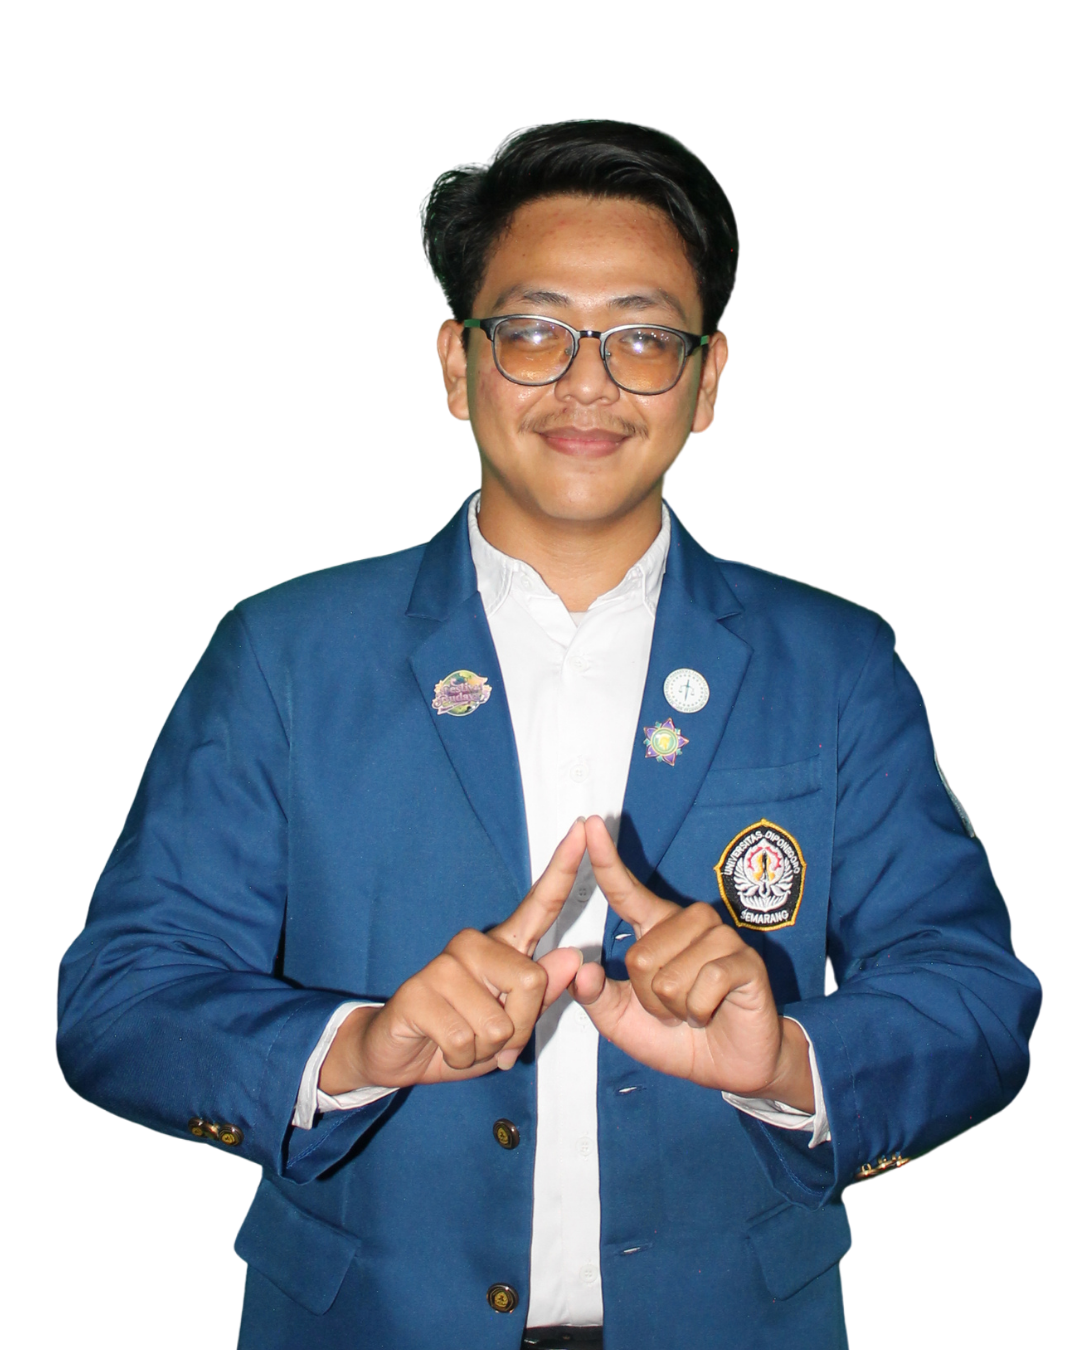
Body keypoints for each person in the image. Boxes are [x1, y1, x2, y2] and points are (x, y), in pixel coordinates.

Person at [56, 121, 1041, 1350]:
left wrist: (790, 1061)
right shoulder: (285, 653)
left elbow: (973, 996)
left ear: (708, 381)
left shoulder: (837, 662)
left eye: (643, 337)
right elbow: (123, 997)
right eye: (533, 332)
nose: (588, 383)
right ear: (457, 366)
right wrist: (356, 1049)